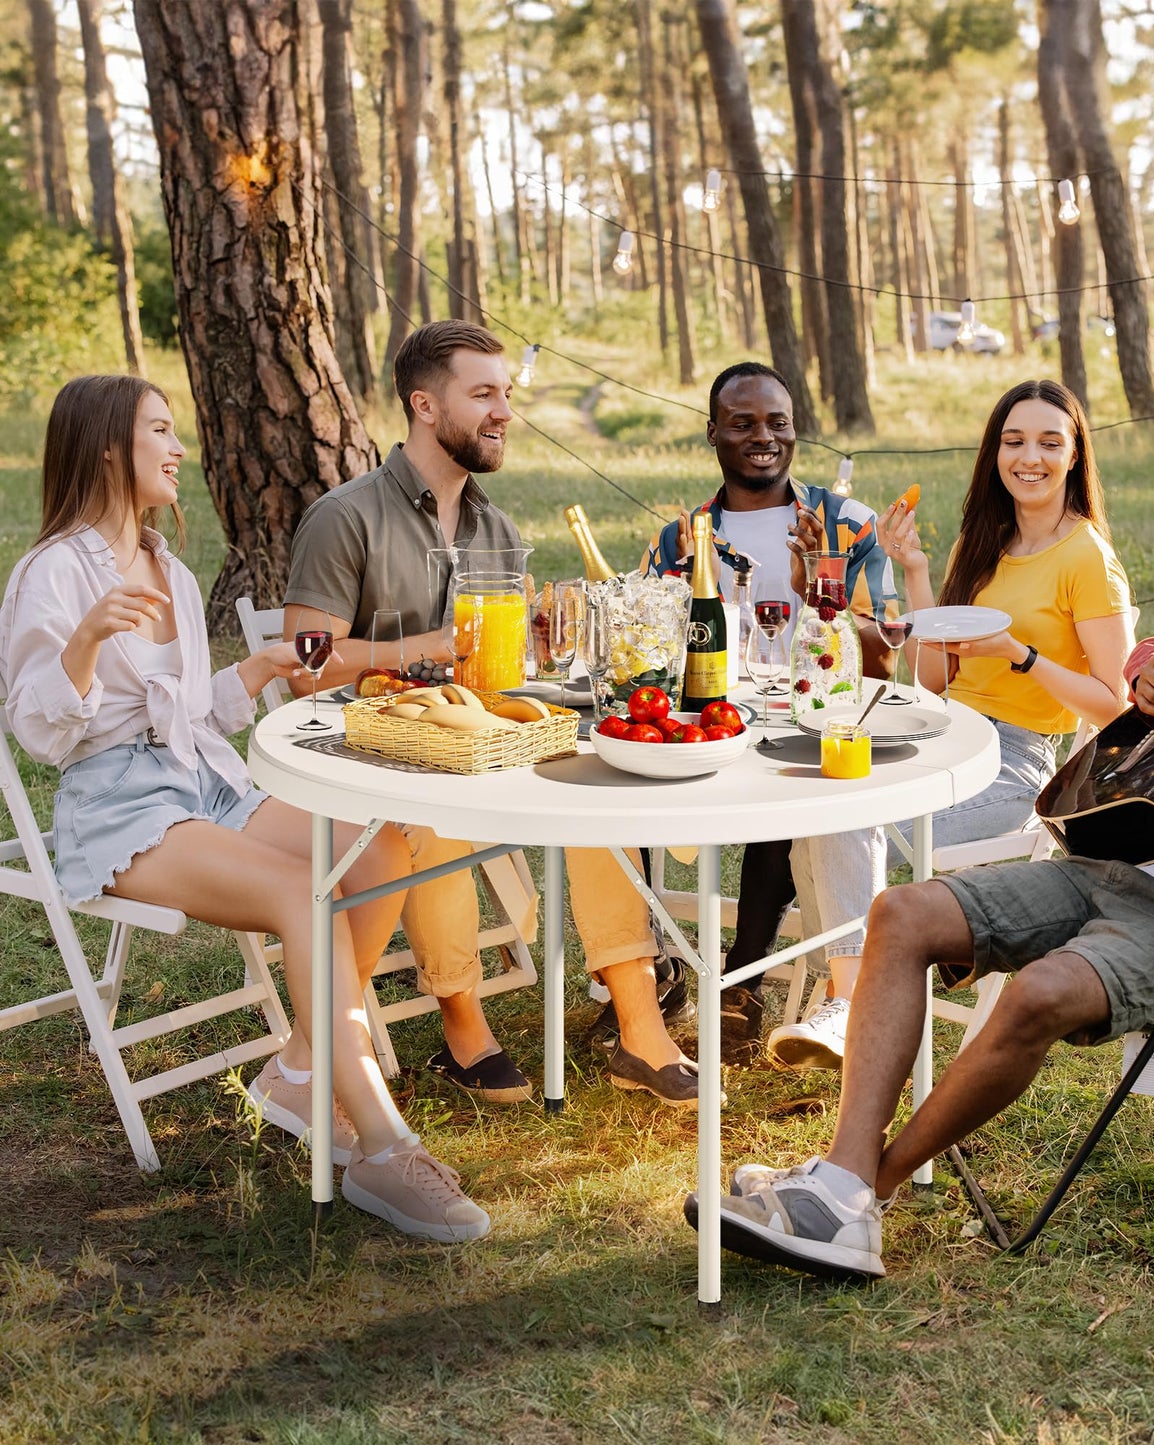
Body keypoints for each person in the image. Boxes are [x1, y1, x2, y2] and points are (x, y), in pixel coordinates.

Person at [693, 482, 1154, 1278]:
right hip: (1122, 864)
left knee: (1037, 994)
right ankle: (842, 1175)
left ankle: (855, 1198)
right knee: (903, 912)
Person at [1, 375, 490, 1241]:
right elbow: (40, 732)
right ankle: (382, 1145)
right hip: (122, 807)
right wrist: (84, 638)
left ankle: (301, 1068)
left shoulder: (172, 572)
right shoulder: (50, 572)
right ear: (109, 445)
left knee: (372, 845)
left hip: (203, 783)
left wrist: (256, 673)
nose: (178, 446)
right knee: (299, 891)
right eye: (159, 429)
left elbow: (186, 713)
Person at [285, 320, 699, 1105]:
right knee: (428, 816)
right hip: (378, 750)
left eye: (506, 393)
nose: (504, 410)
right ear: (424, 406)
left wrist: (538, 648)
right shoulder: (346, 517)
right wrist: (424, 647)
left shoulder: (496, 529)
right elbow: (304, 667)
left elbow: (499, 670)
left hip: (485, 735)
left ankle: (639, 1025)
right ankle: (462, 1024)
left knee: (597, 783)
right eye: (482, 394)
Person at [769, 379, 1135, 1071]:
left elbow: (1114, 705)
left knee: (852, 812)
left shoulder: (1086, 557)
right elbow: (933, 679)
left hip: (1019, 762)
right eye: (1014, 440)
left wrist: (1020, 656)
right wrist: (915, 571)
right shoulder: (985, 539)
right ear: (994, 452)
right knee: (823, 800)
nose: (1029, 456)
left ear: (1073, 454)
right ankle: (848, 991)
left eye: (1049, 442)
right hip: (945, 732)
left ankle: (850, 1004)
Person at [642, 361, 898, 1065]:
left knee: (795, 773)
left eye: (777, 422)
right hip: (712, 725)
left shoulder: (844, 525)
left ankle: (742, 973)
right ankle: (648, 968)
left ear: (795, 431)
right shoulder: (682, 539)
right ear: (713, 433)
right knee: (624, 767)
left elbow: (884, 658)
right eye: (743, 422)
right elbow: (648, 651)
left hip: (815, 720)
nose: (763, 437)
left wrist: (823, 593)